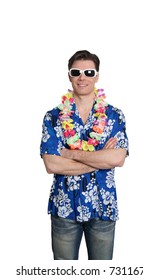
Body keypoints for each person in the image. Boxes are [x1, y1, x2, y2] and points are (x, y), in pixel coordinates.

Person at [40, 50, 129, 260]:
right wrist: (101, 159)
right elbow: (52, 164)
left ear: (97, 76)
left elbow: (117, 159)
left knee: (101, 271)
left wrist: (70, 155)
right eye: (76, 72)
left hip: (102, 207)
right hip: (64, 208)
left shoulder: (114, 116)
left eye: (89, 72)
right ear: (69, 75)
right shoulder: (53, 117)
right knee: (64, 272)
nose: (83, 77)